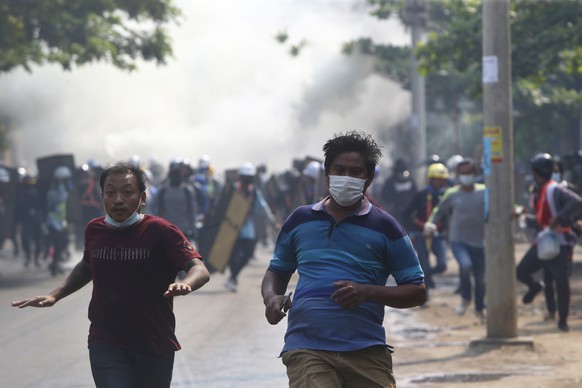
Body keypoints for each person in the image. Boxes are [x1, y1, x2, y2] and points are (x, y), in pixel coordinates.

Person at [12, 161, 210, 387]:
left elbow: (199, 269)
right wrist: (55, 295)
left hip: (154, 342)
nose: (118, 200)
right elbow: (87, 266)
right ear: (102, 196)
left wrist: (187, 283)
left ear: (142, 198)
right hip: (106, 340)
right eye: (110, 193)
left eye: (127, 193)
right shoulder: (95, 230)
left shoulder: (161, 231)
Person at [261, 131, 426, 387]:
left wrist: (368, 292)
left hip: (367, 349)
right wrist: (271, 298)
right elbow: (277, 271)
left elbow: (417, 291)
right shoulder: (300, 220)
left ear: (368, 178)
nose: (346, 177)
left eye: (355, 171)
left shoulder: (387, 227)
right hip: (307, 346)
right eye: (339, 169)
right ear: (327, 174)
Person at [515, 153, 582, 332]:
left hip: (561, 242)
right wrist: (522, 217)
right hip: (544, 240)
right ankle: (535, 287)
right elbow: (540, 221)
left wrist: (558, 218)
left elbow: (576, 201)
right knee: (521, 271)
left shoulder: (555, 189)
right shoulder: (538, 192)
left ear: (536, 173)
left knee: (561, 281)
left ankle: (563, 320)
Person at [425, 158, 487, 320]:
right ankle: (466, 298)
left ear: (475, 174)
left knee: (481, 279)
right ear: (458, 176)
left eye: (469, 173)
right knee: (465, 266)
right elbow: (438, 211)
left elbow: (501, 207)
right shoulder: (452, 194)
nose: (466, 176)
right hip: (459, 240)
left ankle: (480, 307)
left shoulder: (484, 192)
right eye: (463, 173)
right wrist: (430, 224)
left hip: (480, 242)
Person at [225, 162, 276, 292]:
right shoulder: (233, 189)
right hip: (231, 227)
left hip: (247, 227)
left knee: (248, 254)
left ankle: (233, 276)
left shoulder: (253, 191)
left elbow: (262, 205)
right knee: (233, 255)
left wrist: (271, 219)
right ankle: (232, 277)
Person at [403, 162, 451, 291]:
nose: (440, 182)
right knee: (423, 264)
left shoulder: (447, 195)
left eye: (443, 180)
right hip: (421, 234)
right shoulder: (422, 194)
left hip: (438, 234)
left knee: (442, 264)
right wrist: (413, 228)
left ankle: (428, 276)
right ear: (431, 179)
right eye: (438, 179)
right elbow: (406, 213)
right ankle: (424, 294)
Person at [380, 157, 417, 230]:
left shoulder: (410, 179)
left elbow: (415, 192)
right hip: (396, 208)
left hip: (410, 208)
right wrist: (390, 203)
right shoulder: (391, 180)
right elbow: (385, 193)